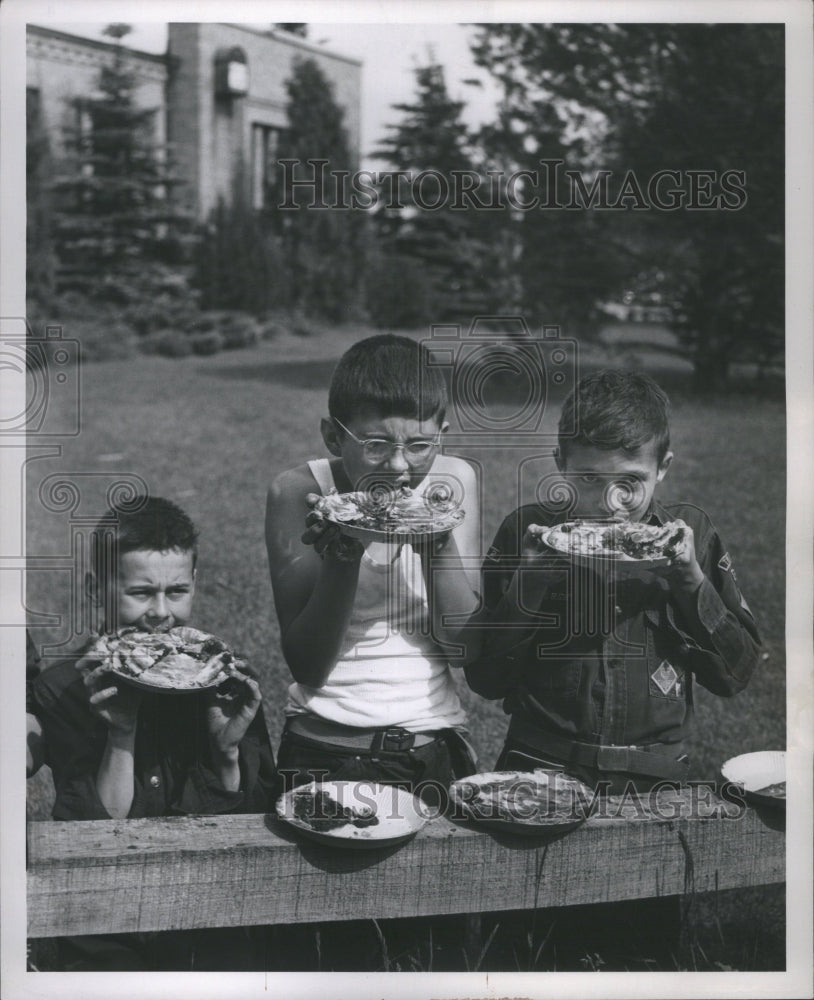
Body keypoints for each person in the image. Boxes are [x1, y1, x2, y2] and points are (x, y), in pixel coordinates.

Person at [463, 370, 761, 794]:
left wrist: (691, 580)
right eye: (588, 478)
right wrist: (526, 588)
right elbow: (486, 679)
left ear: (663, 468)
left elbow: (736, 675)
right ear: (560, 463)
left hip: (654, 774)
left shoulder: (689, 533)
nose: (610, 503)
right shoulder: (526, 531)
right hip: (540, 764)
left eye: (631, 481)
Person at [31, 496, 277, 970]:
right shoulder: (63, 689)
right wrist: (120, 736)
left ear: (195, 584)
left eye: (177, 591)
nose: (161, 613)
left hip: (208, 913)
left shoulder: (223, 679)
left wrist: (227, 753)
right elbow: (95, 834)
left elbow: (250, 824)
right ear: (95, 590)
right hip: (102, 919)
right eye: (141, 593)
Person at [265, 334, 481, 793]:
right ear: (333, 435)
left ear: (441, 437)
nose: (399, 467)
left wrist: (437, 544)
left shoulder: (452, 480)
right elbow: (307, 665)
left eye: (420, 446)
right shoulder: (297, 492)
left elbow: (465, 649)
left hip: (432, 741)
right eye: (376, 445)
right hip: (324, 746)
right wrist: (342, 558)